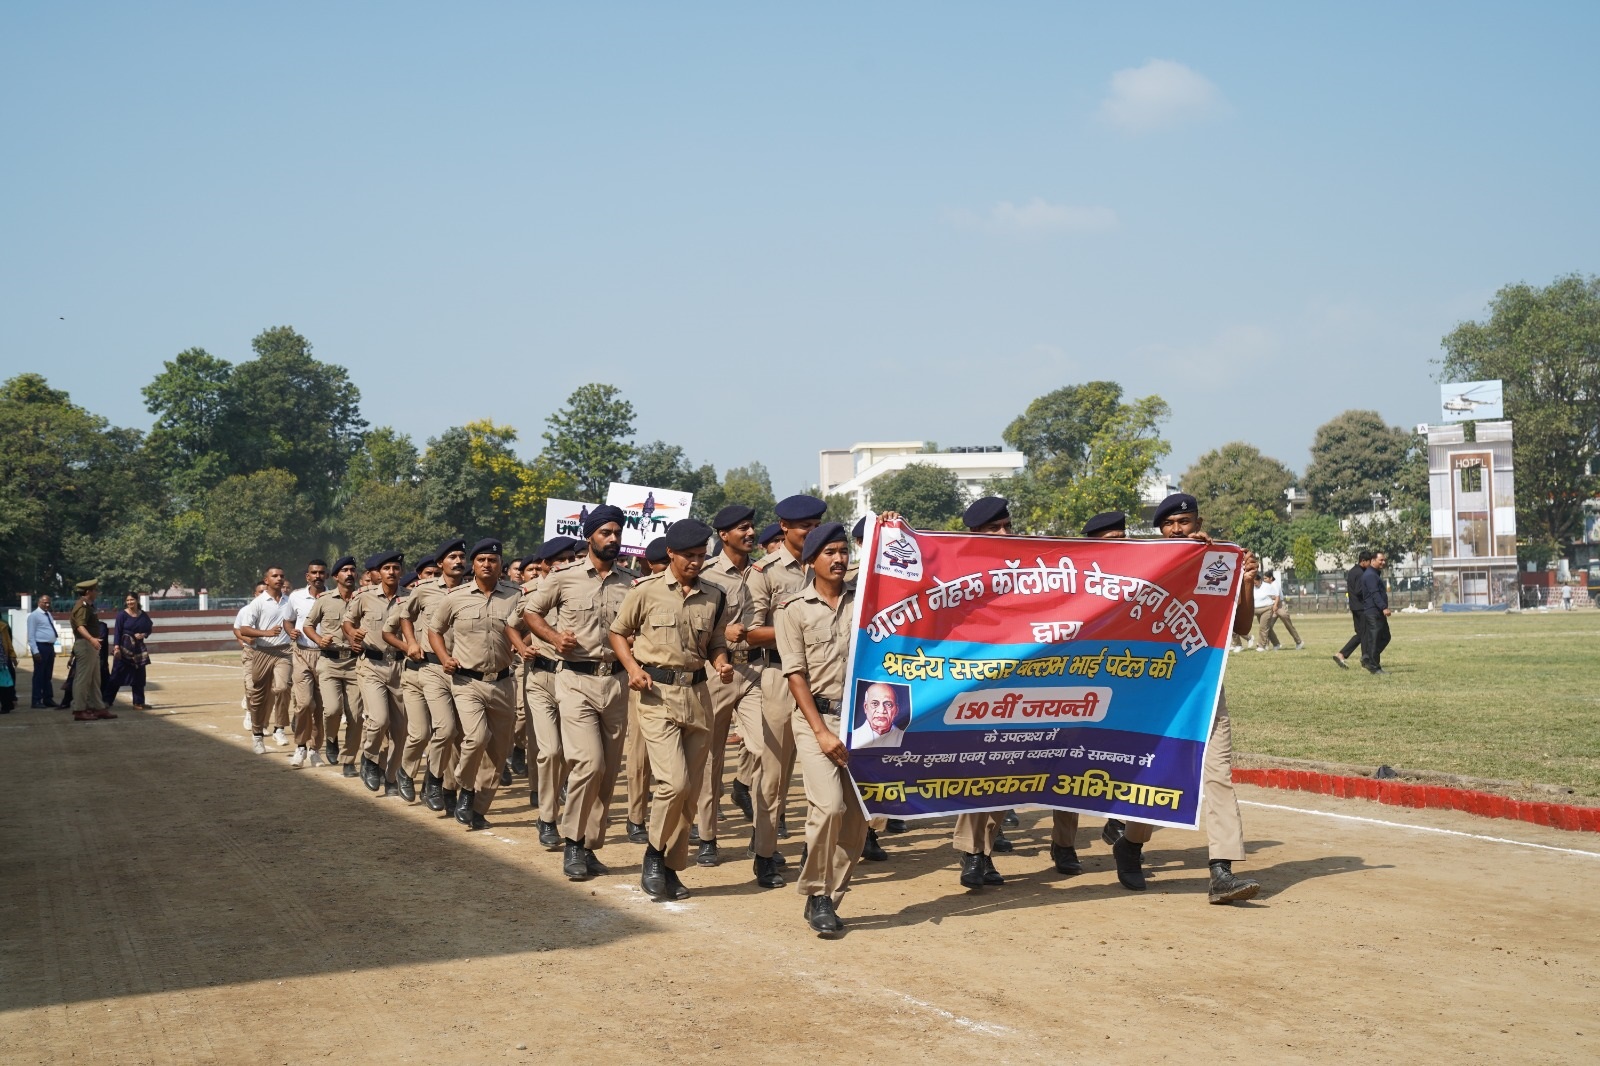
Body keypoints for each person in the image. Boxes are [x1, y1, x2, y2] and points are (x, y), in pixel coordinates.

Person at [1100, 493, 1262, 904]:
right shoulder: (1148, 561)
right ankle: (1130, 844)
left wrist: (1243, 580)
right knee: (1159, 776)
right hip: (1151, 691)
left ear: (1197, 521)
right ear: (1159, 529)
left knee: (1218, 777)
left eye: (1185, 522)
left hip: (1204, 689)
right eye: (1169, 523)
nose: (1178, 529)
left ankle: (1221, 870)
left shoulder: (1218, 563)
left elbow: (1241, 627)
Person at [608, 519, 733, 900]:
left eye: (701, 555)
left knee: (691, 792)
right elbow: (618, 632)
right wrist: (632, 669)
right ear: (672, 555)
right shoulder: (645, 591)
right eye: (690, 556)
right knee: (673, 783)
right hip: (655, 695)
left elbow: (714, 640)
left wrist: (722, 661)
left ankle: (671, 869)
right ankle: (653, 852)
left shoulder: (715, 595)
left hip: (697, 695)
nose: (697, 562)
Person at [522, 505, 636, 881]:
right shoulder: (563, 578)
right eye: (606, 532)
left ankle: (588, 847)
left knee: (607, 774)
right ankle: (571, 842)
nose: (614, 539)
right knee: (588, 763)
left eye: (618, 532)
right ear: (590, 537)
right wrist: (555, 638)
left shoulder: (630, 583)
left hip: (617, 684)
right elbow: (531, 612)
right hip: (574, 681)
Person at [776, 522, 868, 934]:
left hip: (863, 721)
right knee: (829, 806)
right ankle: (815, 892)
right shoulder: (792, 610)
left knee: (858, 820)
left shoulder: (864, 600)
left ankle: (831, 896)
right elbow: (795, 676)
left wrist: (890, 529)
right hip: (817, 719)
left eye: (843, 551)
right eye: (829, 552)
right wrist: (821, 732)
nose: (839, 558)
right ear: (811, 559)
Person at [745, 494, 828, 889]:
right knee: (774, 775)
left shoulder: (832, 565)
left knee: (823, 773)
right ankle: (764, 852)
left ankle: (815, 851)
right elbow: (748, 631)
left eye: (816, 526)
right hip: (779, 678)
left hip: (826, 680)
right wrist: (797, 629)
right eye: (804, 527)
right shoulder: (766, 572)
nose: (811, 533)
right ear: (784, 527)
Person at [428, 538, 526, 830]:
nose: (487, 565)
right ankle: (464, 788)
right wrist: (444, 656)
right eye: (481, 560)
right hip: (466, 682)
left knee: (499, 753)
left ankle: (478, 808)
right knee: (476, 737)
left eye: (493, 560)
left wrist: (522, 644)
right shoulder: (455, 597)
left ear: (500, 565)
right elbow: (434, 630)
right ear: (473, 565)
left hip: (504, 683)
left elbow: (531, 623)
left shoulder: (516, 595)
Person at [694, 504, 764, 868]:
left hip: (755, 672)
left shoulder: (763, 571)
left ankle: (762, 836)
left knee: (766, 749)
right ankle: (707, 836)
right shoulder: (706, 573)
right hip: (714, 672)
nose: (750, 533)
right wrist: (723, 636)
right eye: (742, 528)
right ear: (723, 535)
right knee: (710, 758)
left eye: (752, 527)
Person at [398, 536, 468, 811]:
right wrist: (411, 643)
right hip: (431, 669)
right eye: (452, 557)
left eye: (462, 557)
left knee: (461, 736)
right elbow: (405, 616)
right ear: (440, 563)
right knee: (444, 728)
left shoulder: (472, 590)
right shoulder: (425, 590)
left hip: (464, 671)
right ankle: (426, 778)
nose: (459, 561)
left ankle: (447, 787)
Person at [520, 536, 580, 847]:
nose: (567, 563)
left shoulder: (583, 587)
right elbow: (511, 625)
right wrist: (522, 648)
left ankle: (573, 809)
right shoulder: (531, 592)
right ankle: (547, 817)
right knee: (551, 751)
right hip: (542, 679)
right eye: (559, 559)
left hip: (575, 680)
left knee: (575, 753)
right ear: (544, 565)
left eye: (571, 557)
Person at [344, 551, 409, 796]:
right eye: (386, 568)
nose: (391, 572)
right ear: (378, 573)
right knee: (379, 719)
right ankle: (369, 759)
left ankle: (391, 777)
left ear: (401, 571)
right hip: (372, 665)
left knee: (401, 730)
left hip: (402, 668)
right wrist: (353, 634)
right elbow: (347, 622)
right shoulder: (365, 597)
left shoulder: (411, 598)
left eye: (395, 568)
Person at [304, 556, 363, 776]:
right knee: (332, 709)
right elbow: (308, 625)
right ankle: (330, 739)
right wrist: (319, 640)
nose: (349, 574)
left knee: (356, 715)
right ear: (336, 576)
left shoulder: (363, 598)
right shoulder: (325, 599)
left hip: (356, 663)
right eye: (345, 570)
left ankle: (349, 761)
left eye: (352, 570)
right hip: (329, 662)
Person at [237, 568, 296, 752]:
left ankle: (279, 728)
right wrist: (266, 633)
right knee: (258, 697)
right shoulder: (258, 603)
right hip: (261, 652)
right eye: (275, 576)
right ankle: (257, 735)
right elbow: (244, 629)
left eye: (282, 576)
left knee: (282, 688)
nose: (279, 579)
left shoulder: (290, 602)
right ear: (266, 580)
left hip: (284, 652)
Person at [283, 561, 328, 767]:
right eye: (314, 573)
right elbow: (288, 619)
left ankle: (315, 749)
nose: (317, 576)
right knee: (304, 703)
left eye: (321, 573)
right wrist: (290, 631)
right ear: (307, 576)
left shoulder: (333, 596)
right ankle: (300, 746)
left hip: (326, 657)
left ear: (326, 576)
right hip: (302, 653)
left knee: (320, 707)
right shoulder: (296, 597)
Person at [68, 579, 114, 721]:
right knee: (83, 679)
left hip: (89, 645)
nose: (97, 593)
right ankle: (79, 709)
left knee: (95, 679)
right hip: (86, 645)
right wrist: (91, 639)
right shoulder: (82, 607)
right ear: (88, 592)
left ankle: (98, 707)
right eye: (95, 590)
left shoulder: (87, 606)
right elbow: (80, 627)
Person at [102, 594, 153, 709]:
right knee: (116, 674)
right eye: (128, 600)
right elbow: (117, 632)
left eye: (132, 600)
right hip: (124, 648)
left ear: (137, 600)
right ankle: (107, 701)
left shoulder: (143, 615)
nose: (130, 602)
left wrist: (144, 634)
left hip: (138, 649)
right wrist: (116, 648)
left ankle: (138, 702)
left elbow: (149, 628)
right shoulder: (122, 615)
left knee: (139, 676)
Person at [1332, 552, 1373, 669]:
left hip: (1354, 606)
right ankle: (1362, 658)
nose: (1370, 565)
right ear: (1364, 561)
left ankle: (1345, 655)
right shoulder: (1360, 573)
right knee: (1364, 633)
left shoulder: (1353, 571)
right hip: (1361, 607)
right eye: (1369, 562)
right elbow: (1359, 590)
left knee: (1361, 634)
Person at [1357, 551, 1392, 675]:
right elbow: (1374, 593)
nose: (1383, 562)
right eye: (1380, 560)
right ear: (1372, 561)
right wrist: (1383, 607)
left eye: (1384, 560)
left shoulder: (1374, 574)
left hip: (1377, 612)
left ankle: (1368, 657)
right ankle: (1374, 666)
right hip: (1373, 612)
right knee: (1375, 639)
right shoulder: (1371, 575)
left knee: (1385, 637)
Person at [849, 682, 907, 748]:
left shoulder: (906, 739)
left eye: (888, 704)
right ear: (865, 707)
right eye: (875, 704)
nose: (881, 710)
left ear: (896, 710)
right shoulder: (851, 738)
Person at [27, 595, 58, 708]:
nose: (47, 605)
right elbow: (31, 635)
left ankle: (47, 698)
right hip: (40, 647)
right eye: (45, 602)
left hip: (49, 647)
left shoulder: (48, 614)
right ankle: (36, 700)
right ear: (39, 602)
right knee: (39, 675)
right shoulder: (34, 616)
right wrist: (35, 651)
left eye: (49, 602)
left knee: (47, 675)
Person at [0, 612, 17, 713]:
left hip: (2, 660)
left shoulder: (3, 626)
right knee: (5, 683)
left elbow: (8, 642)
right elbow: (9, 642)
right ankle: (8, 704)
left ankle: (7, 705)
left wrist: (12, 655)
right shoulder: (4, 625)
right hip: (3, 659)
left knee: (4, 684)